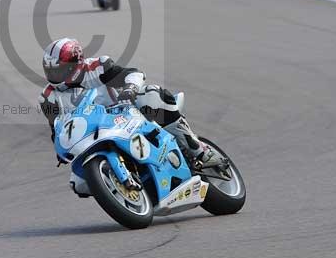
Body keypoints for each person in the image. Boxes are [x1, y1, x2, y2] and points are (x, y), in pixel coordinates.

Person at [39, 38, 224, 172]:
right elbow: (56, 129)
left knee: (153, 94)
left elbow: (133, 73)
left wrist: (130, 89)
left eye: (60, 70)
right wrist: (61, 148)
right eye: (51, 71)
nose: (55, 76)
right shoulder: (48, 97)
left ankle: (199, 150)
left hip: (125, 114)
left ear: (76, 64)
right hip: (92, 134)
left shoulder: (96, 67)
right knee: (78, 183)